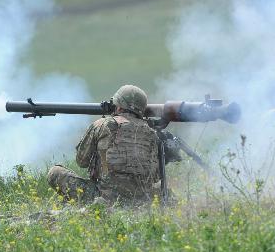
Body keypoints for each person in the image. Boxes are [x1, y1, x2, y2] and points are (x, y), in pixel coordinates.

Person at [47, 84, 180, 205]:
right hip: (140, 200)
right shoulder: (152, 133)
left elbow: (82, 161)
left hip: (105, 199)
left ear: (119, 106)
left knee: (55, 172)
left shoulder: (102, 125)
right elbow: (154, 175)